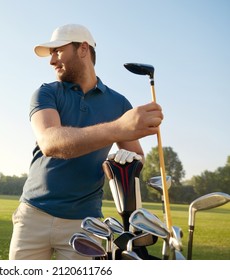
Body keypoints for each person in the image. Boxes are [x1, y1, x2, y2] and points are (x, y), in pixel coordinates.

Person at [9, 24, 163, 260]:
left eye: (57, 51)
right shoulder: (46, 93)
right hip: (33, 215)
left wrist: (130, 159)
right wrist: (118, 128)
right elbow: (50, 142)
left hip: (84, 223)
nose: (51, 61)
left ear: (82, 49)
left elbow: (137, 158)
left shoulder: (119, 104)